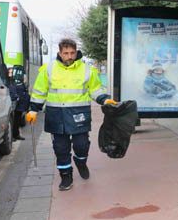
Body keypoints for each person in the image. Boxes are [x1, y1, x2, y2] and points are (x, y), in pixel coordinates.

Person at [26, 38, 117, 191]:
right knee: (60, 148)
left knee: (82, 145)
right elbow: (40, 91)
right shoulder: (48, 69)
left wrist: (105, 100)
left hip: (78, 114)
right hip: (56, 115)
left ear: (76, 52)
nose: (69, 56)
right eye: (66, 53)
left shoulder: (87, 69)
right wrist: (33, 109)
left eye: (72, 53)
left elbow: (95, 89)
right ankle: (66, 177)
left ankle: (81, 162)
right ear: (59, 53)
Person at [8, 65, 29, 140]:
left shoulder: (18, 83)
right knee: (14, 121)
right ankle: (14, 135)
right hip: (17, 105)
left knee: (17, 121)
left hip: (20, 106)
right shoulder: (14, 84)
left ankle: (16, 135)